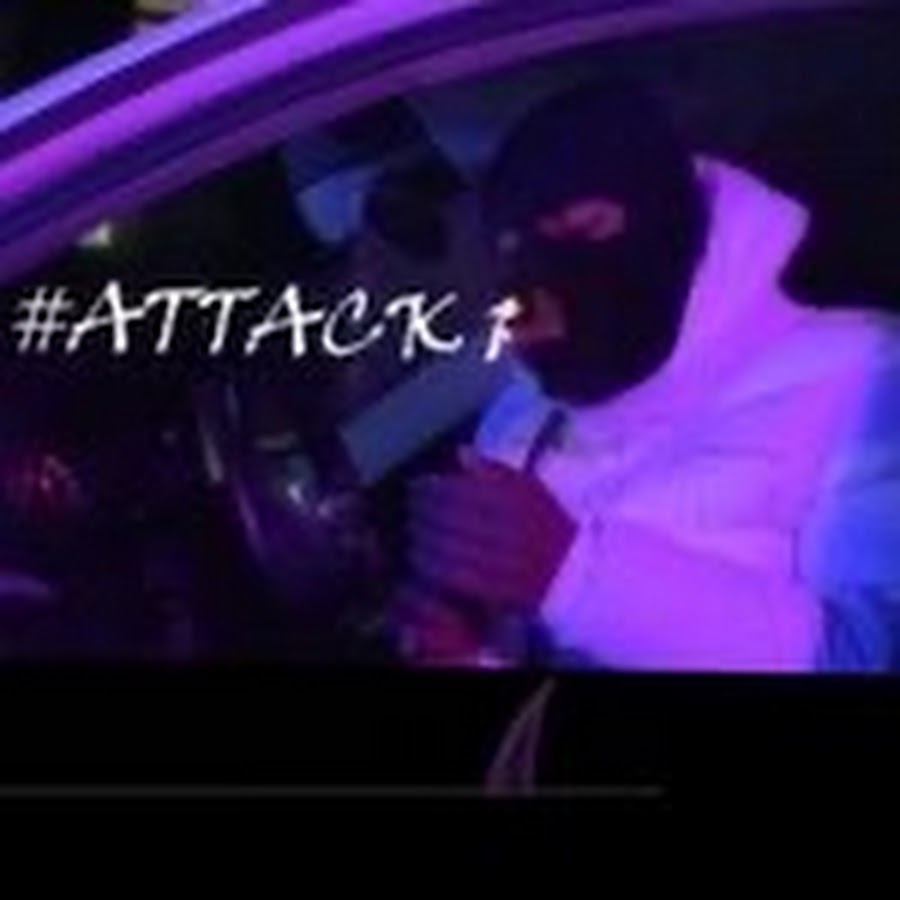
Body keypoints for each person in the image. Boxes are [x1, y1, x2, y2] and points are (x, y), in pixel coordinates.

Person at [397, 77, 898, 672]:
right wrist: (465, 651)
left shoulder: (862, 370)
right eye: (515, 254)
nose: (545, 277)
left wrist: (576, 579)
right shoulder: (519, 416)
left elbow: (870, 651)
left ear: (671, 218)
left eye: (586, 230)